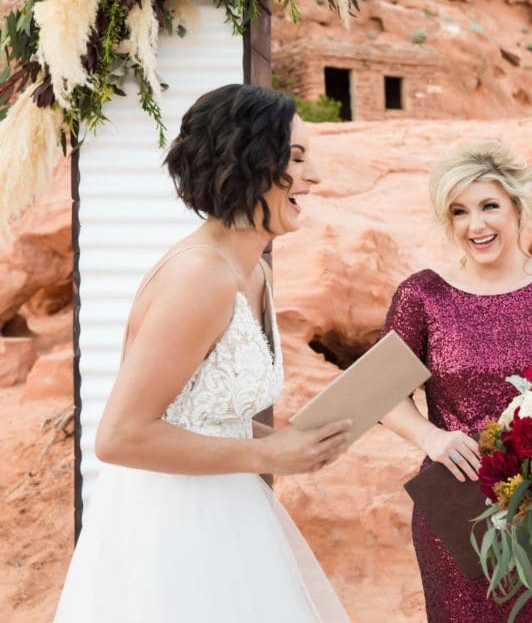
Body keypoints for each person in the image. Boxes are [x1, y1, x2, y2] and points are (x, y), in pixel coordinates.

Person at [55, 84, 351, 622]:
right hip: (171, 532)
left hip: (231, 510)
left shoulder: (254, 269)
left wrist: (292, 442)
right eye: (298, 157)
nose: (314, 176)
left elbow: (206, 417)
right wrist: (268, 456)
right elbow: (120, 437)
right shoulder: (199, 276)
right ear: (254, 162)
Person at [380, 140, 532, 622]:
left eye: (489, 206)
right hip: (456, 506)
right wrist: (433, 437)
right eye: (459, 211)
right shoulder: (422, 296)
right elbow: (383, 395)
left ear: (516, 207)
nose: (477, 225)